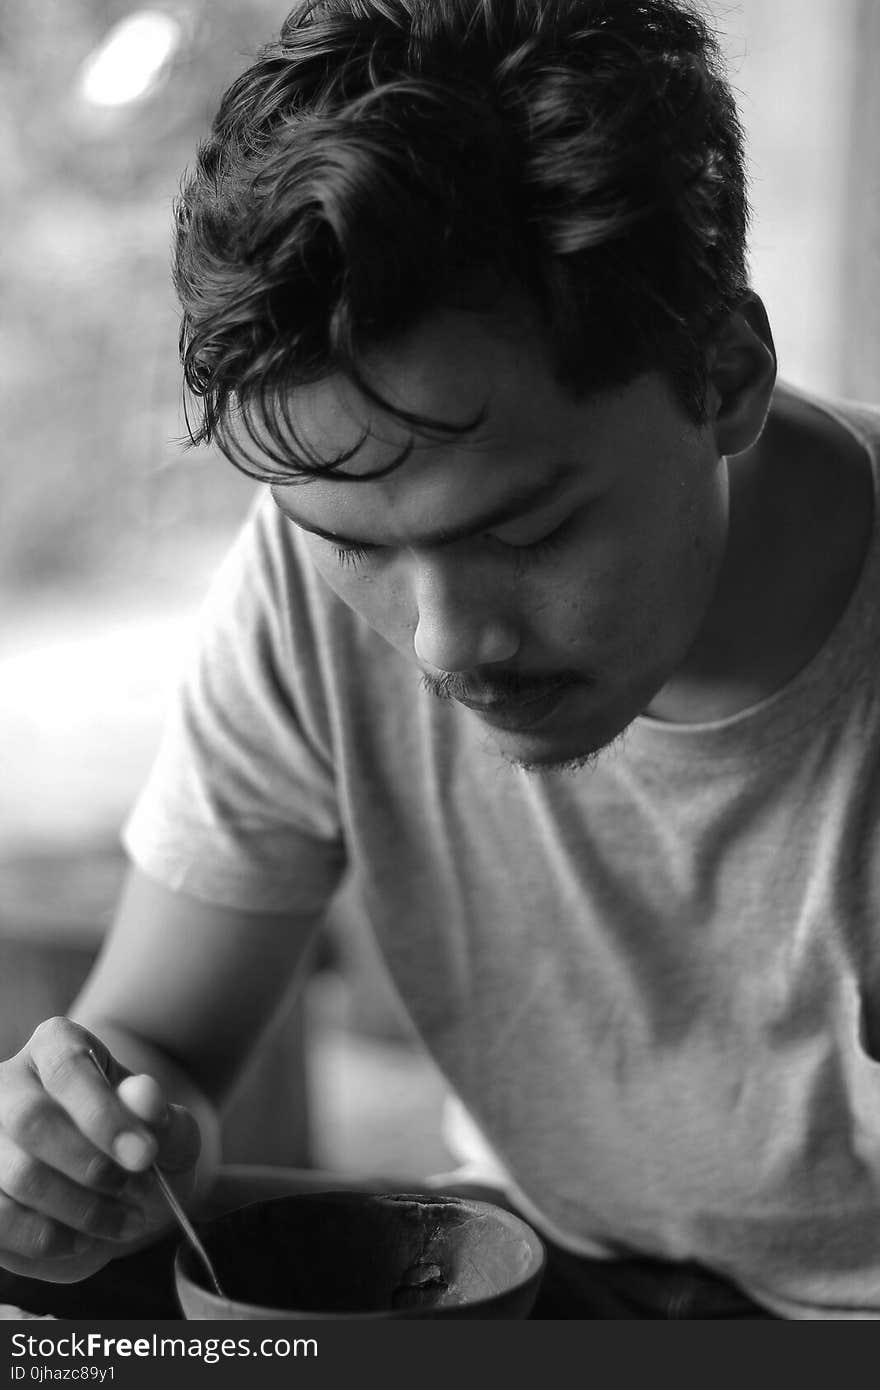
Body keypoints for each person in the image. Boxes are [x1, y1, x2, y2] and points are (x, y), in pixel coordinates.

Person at [0, 0, 877, 1319]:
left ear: (727, 372)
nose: (447, 639)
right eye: (356, 545)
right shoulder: (302, 572)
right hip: (541, 1264)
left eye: (523, 528)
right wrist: (77, 1150)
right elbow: (153, 1045)